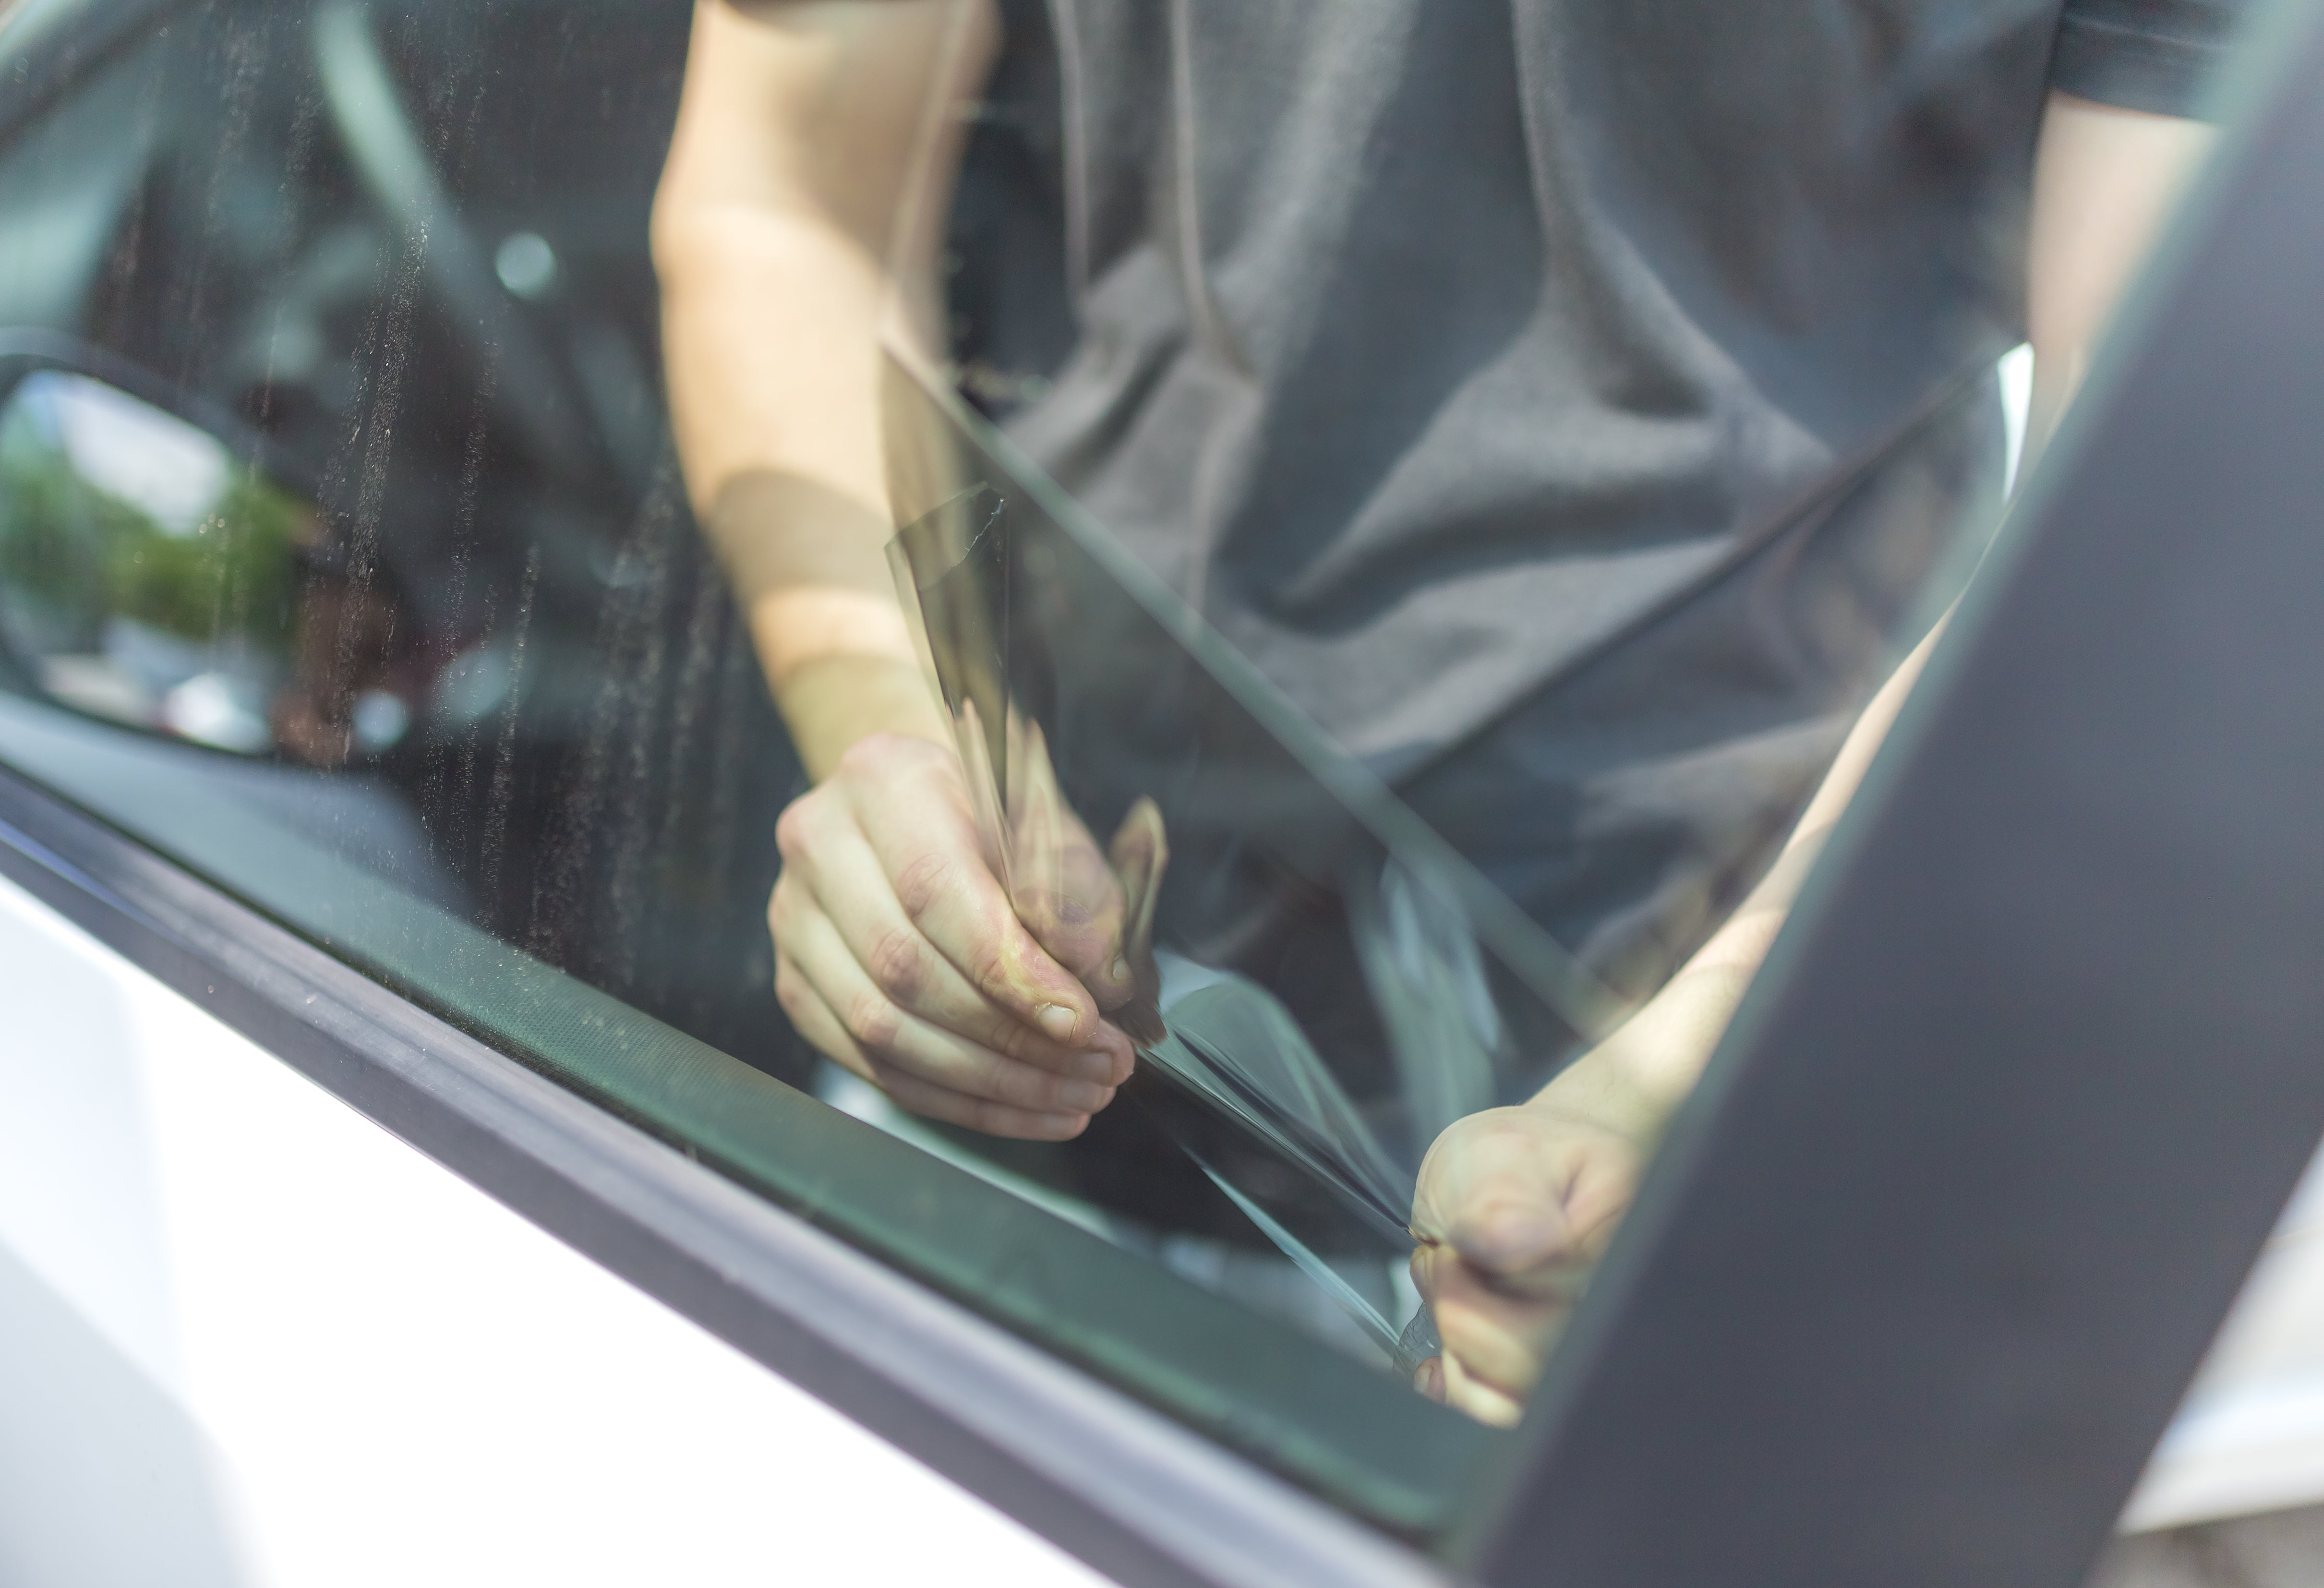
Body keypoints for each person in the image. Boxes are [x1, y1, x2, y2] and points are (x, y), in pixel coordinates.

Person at [650, 0, 2244, 1417]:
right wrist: (894, 747)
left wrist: (1716, 1060)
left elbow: (2148, 492)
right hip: (990, 1030)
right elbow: (781, 205)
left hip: (1663, 1140)